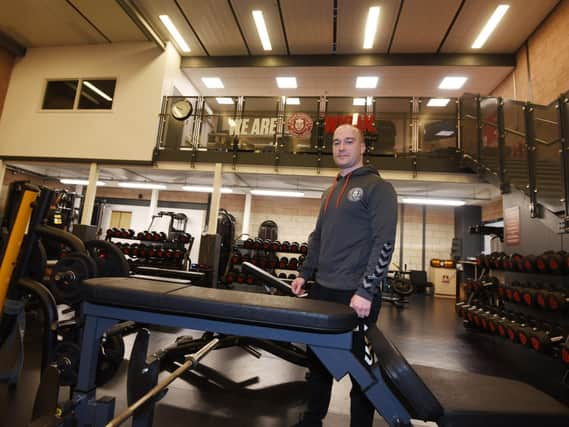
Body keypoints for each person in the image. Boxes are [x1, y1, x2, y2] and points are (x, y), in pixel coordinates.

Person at [291, 124, 398, 427]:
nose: (341, 147)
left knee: (361, 370)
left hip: (355, 296)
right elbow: (318, 237)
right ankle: (312, 420)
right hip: (322, 292)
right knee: (318, 363)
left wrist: (366, 290)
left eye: (349, 141)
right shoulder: (330, 191)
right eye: (336, 142)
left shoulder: (380, 188)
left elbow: (384, 242)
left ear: (362, 147)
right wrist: (304, 273)